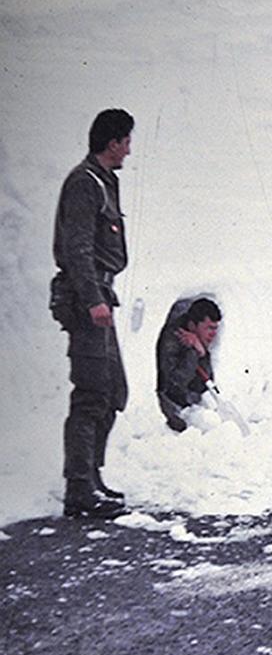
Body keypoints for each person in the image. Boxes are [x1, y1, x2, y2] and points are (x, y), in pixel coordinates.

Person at [50, 109, 134, 519]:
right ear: (113, 141)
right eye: (126, 141)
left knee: (113, 391)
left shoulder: (101, 182)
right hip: (88, 300)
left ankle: (92, 478)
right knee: (91, 395)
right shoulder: (85, 184)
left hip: (101, 295)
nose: (129, 150)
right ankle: (79, 490)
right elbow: (76, 248)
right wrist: (92, 299)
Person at [156, 297, 222, 432]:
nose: (213, 334)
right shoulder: (173, 340)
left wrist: (201, 352)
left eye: (216, 329)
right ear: (192, 326)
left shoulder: (197, 341)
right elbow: (174, 385)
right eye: (209, 328)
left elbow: (203, 385)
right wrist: (193, 354)